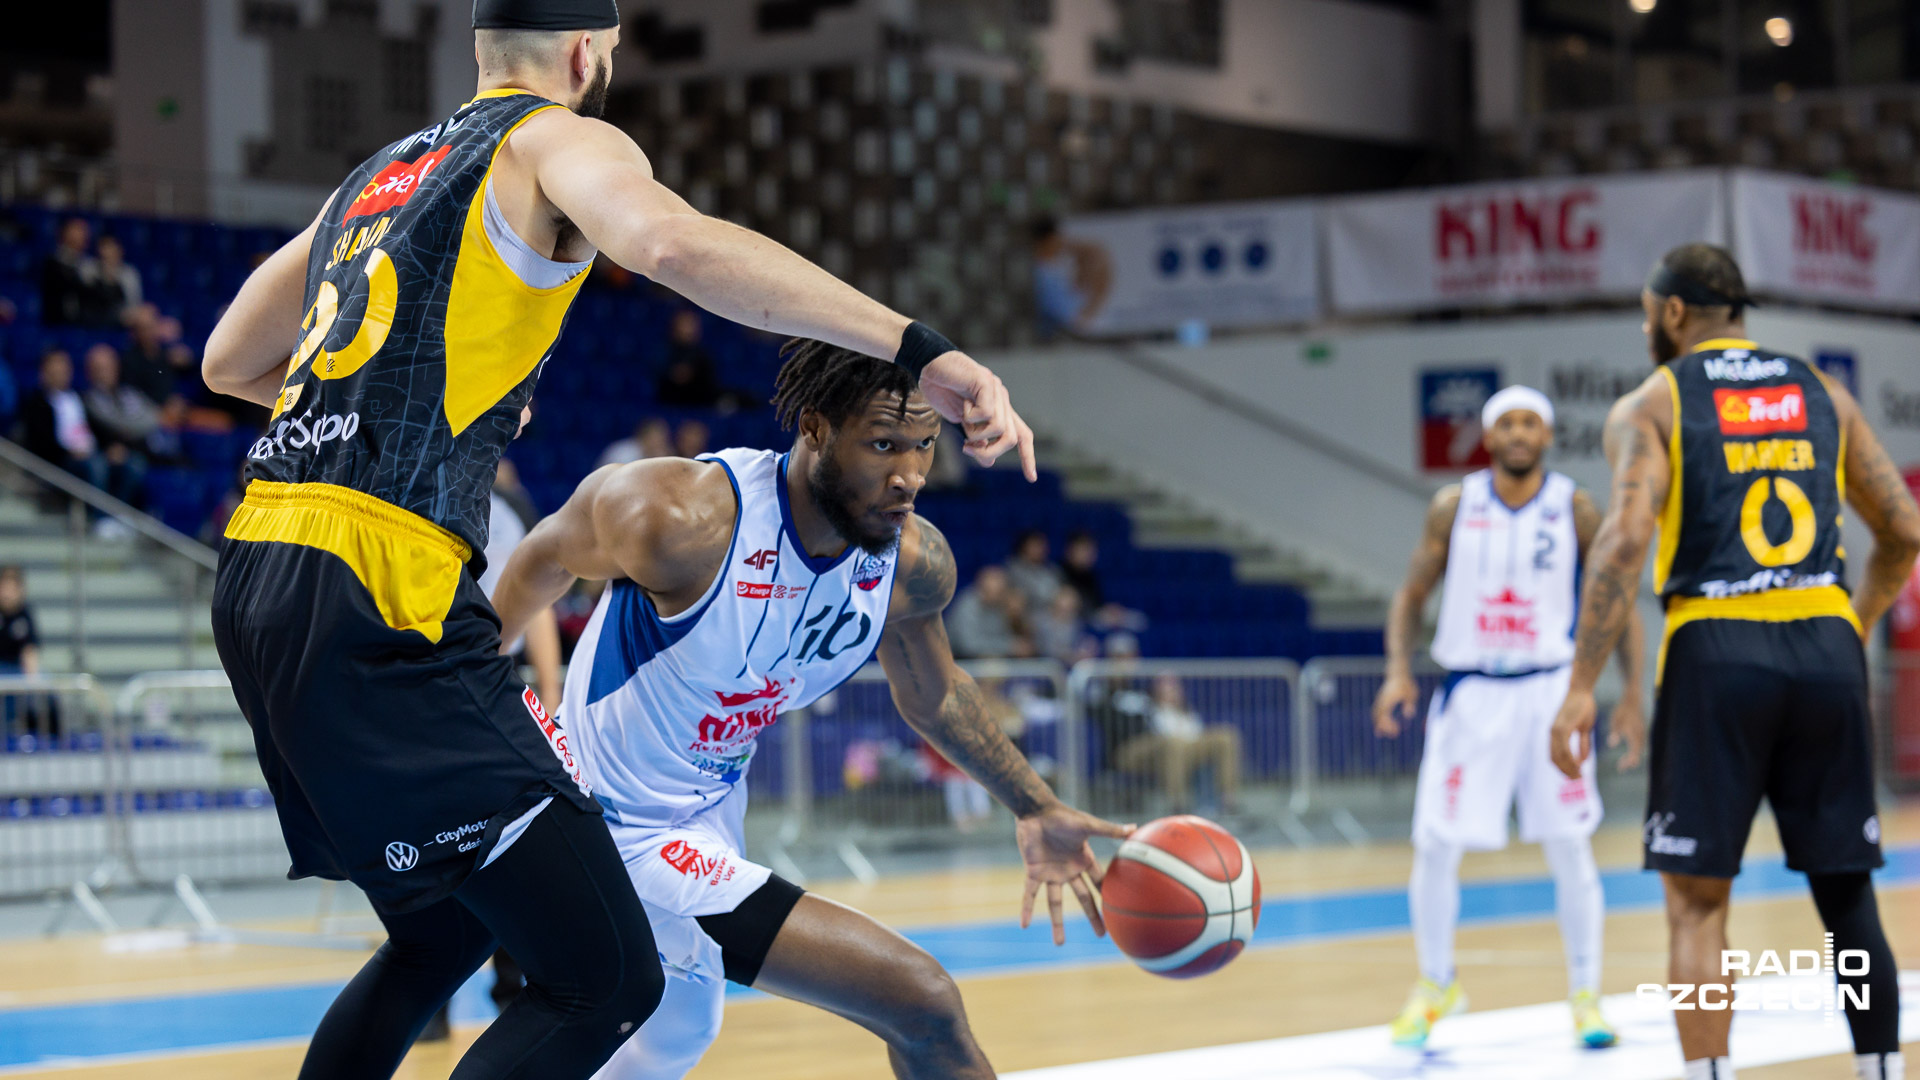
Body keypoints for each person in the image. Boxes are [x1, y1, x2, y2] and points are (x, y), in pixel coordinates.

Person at [197, 3, 1037, 1075]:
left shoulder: (373, 179)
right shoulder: (551, 136)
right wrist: (917, 348)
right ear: (586, 52)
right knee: (606, 981)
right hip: (382, 575)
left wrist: (440, 416)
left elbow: (230, 362)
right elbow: (671, 243)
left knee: (442, 934)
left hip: (259, 564)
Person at [489, 339, 1124, 1080]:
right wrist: (459, 697)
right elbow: (542, 558)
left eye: (924, 445)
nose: (910, 475)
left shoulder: (908, 564)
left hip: (707, 817)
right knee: (921, 1000)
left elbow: (936, 693)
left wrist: (1036, 805)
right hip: (603, 822)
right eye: (883, 444)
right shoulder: (680, 517)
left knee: (676, 1036)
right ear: (816, 427)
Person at [1550, 244, 1918, 1080]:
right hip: (1824, 644)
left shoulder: (1654, 401)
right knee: (1847, 893)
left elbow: (1624, 541)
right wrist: (1851, 623)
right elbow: (1904, 530)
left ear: (1673, 312)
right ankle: (1882, 1072)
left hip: (1716, 647)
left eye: (1648, 315)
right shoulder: (1824, 393)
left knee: (1696, 904)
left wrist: (1580, 686)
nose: (1647, 328)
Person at [1372, 384, 1644, 1051]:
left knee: (1569, 845)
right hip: (1473, 694)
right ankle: (1435, 983)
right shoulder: (1454, 505)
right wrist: (1398, 670)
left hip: (1551, 692)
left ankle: (1586, 993)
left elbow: (1616, 599)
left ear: (1546, 435)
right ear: (1489, 435)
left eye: (1531, 423)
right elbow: (1411, 593)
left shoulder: (1574, 506)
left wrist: (1633, 692)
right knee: (1436, 843)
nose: (1519, 433)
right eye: (1507, 423)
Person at [1112, 672, 1241, 814]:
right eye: (1165, 687)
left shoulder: (1186, 711)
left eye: (1174, 687)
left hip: (1188, 747)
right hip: (1157, 750)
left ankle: (1227, 799)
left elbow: (1196, 733)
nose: (1171, 691)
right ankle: (1177, 803)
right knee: (1174, 743)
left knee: (1226, 737)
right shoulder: (1146, 707)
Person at [15, 349, 105, 493]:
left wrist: (109, 447)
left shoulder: (79, 398)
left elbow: (96, 429)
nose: (61, 373)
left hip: (91, 452)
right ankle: (97, 508)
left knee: (131, 465)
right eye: (55, 370)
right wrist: (69, 452)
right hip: (61, 460)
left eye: (64, 369)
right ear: (44, 372)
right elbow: (41, 442)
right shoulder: (37, 403)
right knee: (95, 466)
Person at [79, 346, 155, 511]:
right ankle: (102, 516)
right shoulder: (85, 399)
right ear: (89, 372)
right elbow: (98, 427)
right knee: (99, 466)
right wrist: (109, 447)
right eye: (99, 369)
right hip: (100, 452)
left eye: (108, 367)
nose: (104, 373)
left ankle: (120, 515)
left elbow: (152, 419)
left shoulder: (129, 394)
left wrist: (125, 440)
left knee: (137, 464)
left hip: (131, 450)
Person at [1030, 217, 1111, 339]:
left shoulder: (1053, 272)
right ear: (1050, 239)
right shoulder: (1044, 277)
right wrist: (1097, 297)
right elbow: (1074, 322)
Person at [947, 564, 1025, 659]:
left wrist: (1015, 618)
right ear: (981, 587)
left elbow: (1005, 637)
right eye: (991, 590)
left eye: (1000, 592)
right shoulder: (967, 605)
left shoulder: (1001, 605)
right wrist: (1009, 647)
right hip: (959, 659)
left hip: (991, 660)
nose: (997, 595)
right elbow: (969, 646)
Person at [654, 308, 722, 408]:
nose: (689, 329)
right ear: (675, 325)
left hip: (699, 405)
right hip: (667, 403)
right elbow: (657, 376)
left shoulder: (703, 355)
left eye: (692, 324)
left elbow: (709, 385)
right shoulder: (663, 351)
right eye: (685, 324)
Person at [39, 217, 96, 327]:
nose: (80, 235)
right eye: (76, 230)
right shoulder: (52, 262)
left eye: (83, 231)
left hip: (84, 323)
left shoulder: (90, 265)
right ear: (64, 233)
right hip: (56, 323)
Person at [1005, 529, 1063, 610]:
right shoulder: (1013, 569)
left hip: (1051, 613)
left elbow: (1059, 594)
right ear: (1024, 547)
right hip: (1025, 612)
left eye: (1041, 546)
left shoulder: (1052, 570)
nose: (1039, 550)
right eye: (1034, 546)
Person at [598, 416, 672, 468]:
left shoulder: (655, 453)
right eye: (657, 437)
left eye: (663, 437)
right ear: (645, 436)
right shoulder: (625, 453)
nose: (661, 442)